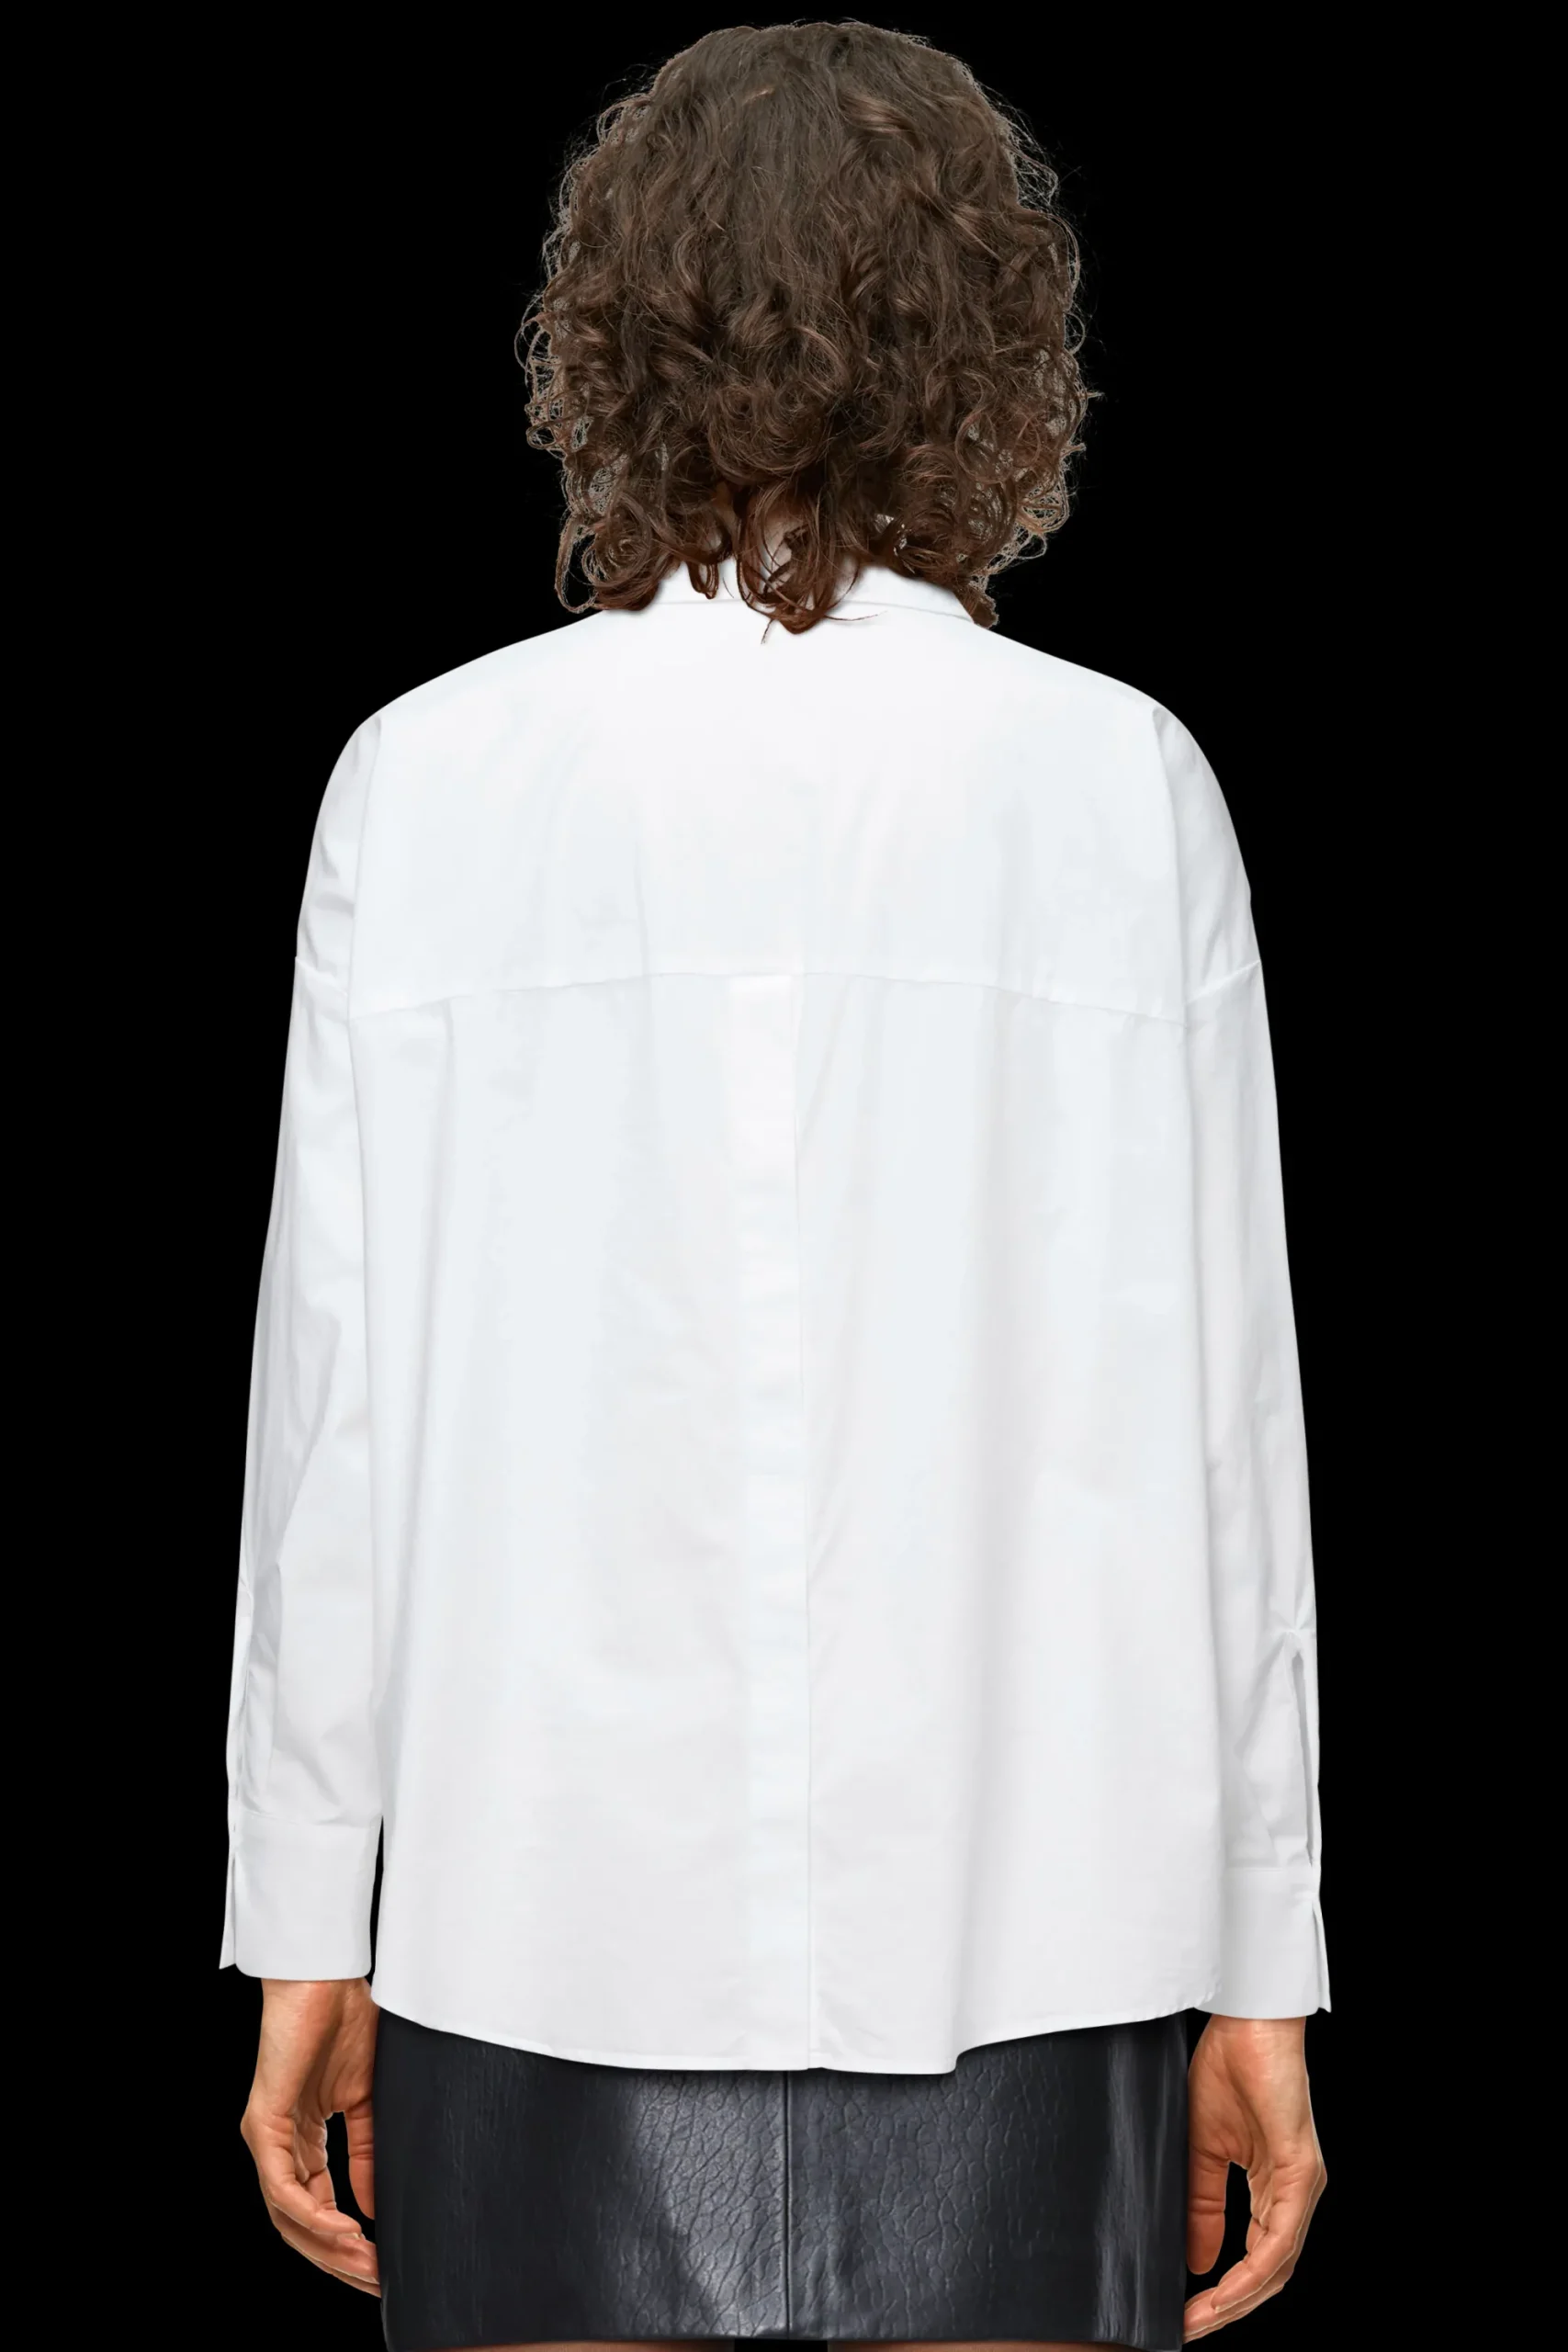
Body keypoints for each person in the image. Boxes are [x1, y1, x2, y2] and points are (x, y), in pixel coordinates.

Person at [224, 22, 1328, 2352]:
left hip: (536, 1915)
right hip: (1029, 1920)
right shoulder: (1119, 787)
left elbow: (339, 1427)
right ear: (984, 354)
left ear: (613, 340)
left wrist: (306, 1912)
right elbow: (1224, 1437)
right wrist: (1260, 1949)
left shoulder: (425, 780)